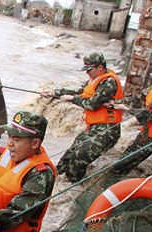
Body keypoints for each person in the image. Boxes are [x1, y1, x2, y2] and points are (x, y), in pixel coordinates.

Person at [40, 52, 124, 183]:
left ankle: (72, 185)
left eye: (89, 70)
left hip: (107, 131)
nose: (87, 73)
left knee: (80, 156)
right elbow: (79, 93)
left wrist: (72, 99)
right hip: (94, 128)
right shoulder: (95, 80)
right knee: (69, 156)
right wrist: (55, 93)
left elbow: (92, 104)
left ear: (100, 67)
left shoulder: (109, 83)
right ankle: (55, 181)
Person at [0, 111, 56, 232]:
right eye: (9, 136)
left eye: (16, 139)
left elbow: (15, 215)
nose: (9, 143)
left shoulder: (40, 174)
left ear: (35, 143)